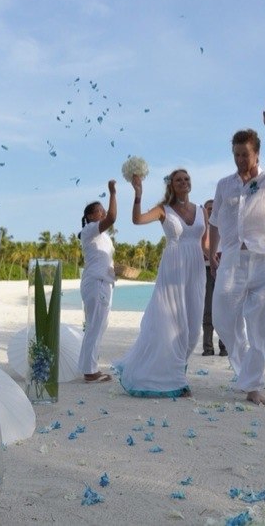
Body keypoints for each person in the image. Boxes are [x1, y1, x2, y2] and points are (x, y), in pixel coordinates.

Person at [210, 98, 265, 405]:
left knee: (261, 326)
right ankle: (246, 372)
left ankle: (252, 386)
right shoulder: (224, 185)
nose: (239, 159)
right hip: (232, 259)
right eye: (236, 154)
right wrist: (212, 254)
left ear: (256, 154)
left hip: (263, 259)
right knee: (222, 318)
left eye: (244, 154)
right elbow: (215, 221)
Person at [114, 169, 205, 397]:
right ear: (171, 185)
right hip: (172, 271)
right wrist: (138, 194)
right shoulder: (163, 209)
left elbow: (205, 243)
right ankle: (177, 378)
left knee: (194, 329)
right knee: (173, 326)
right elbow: (137, 220)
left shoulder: (202, 210)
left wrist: (215, 259)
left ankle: (176, 370)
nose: (183, 182)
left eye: (186, 179)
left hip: (196, 271)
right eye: (178, 180)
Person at [78, 180, 118, 383]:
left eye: (103, 210)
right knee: (95, 325)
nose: (103, 212)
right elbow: (112, 218)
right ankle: (90, 371)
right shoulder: (90, 230)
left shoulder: (103, 237)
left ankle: (88, 366)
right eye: (99, 210)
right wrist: (113, 193)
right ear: (90, 216)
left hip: (104, 282)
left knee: (99, 325)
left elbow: (103, 259)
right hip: (96, 283)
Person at [201, 199, 227, 357]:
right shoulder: (201, 229)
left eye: (213, 208)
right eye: (208, 209)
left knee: (224, 310)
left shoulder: (224, 227)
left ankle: (224, 346)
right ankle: (208, 347)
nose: (211, 211)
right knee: (208, 310)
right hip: (206, 270)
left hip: (223, 270)